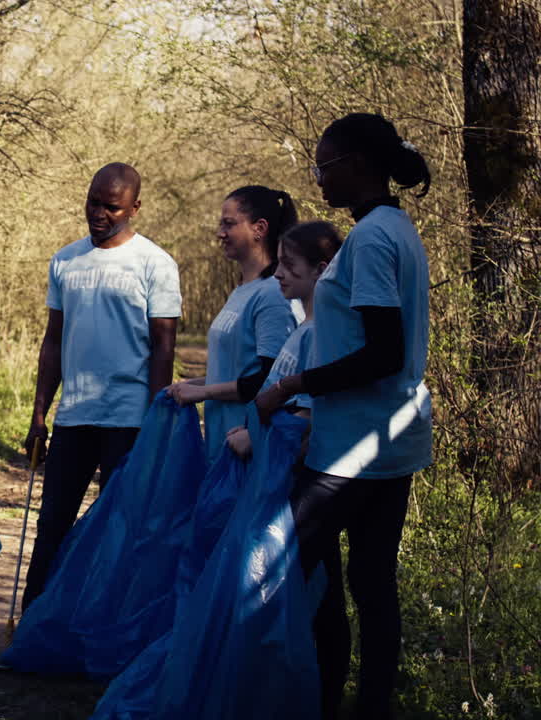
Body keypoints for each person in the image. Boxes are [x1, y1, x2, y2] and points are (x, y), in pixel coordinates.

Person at [255, 112, 433, 720]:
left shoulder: (377, 236)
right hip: (391, 441)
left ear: (356, 166)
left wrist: (292, 387)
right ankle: (350, 704)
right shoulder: (392, 229)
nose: (318, 178)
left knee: (278, 564)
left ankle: (300, 696)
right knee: (368, 585)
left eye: (323, 165)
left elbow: (383, 352)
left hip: (358, 449)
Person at [19, 162, 180, 610]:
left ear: (135, 208)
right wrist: (38, 413)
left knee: (121, 527)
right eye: (93, 202)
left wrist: (155, 419)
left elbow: (163, 346)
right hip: (74, 414)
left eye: (112, 207)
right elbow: (53, 342)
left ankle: (105, 632)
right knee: (52, 523)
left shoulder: (156, 264)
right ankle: (33, 624)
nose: (99, 213)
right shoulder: (65, 260)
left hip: (128, 418)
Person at [166, 185, 298, 462]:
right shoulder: (242, 291)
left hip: (247, 444)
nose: (220, 233)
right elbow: (234, 369)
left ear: (259, 228)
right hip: (222, 444)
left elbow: (268, 380)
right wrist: (189, 384)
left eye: (229, 224)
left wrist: (202, 393)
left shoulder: (272, 294)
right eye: (220, 224)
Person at [224, 221, 342, 460]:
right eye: (278, 263)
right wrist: (250, 430)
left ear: (320, 270)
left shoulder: (319, 335)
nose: (277, 273)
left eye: (288, 265)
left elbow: (307, 416)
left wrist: (254, 439)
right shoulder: (303, 329)